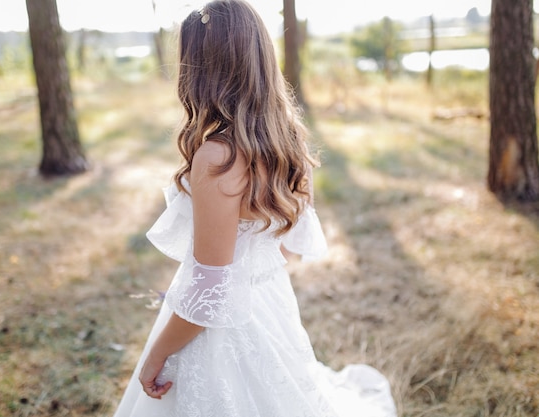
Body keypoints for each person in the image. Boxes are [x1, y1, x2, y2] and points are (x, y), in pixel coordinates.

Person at [113, 1, 397, 416]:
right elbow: (290, 248)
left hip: (221, 331)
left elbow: (212, 290)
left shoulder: (218, 157)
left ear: (201, 69)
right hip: (271, 307)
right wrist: (253, 270)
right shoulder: (290, 139)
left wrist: (156, 353)